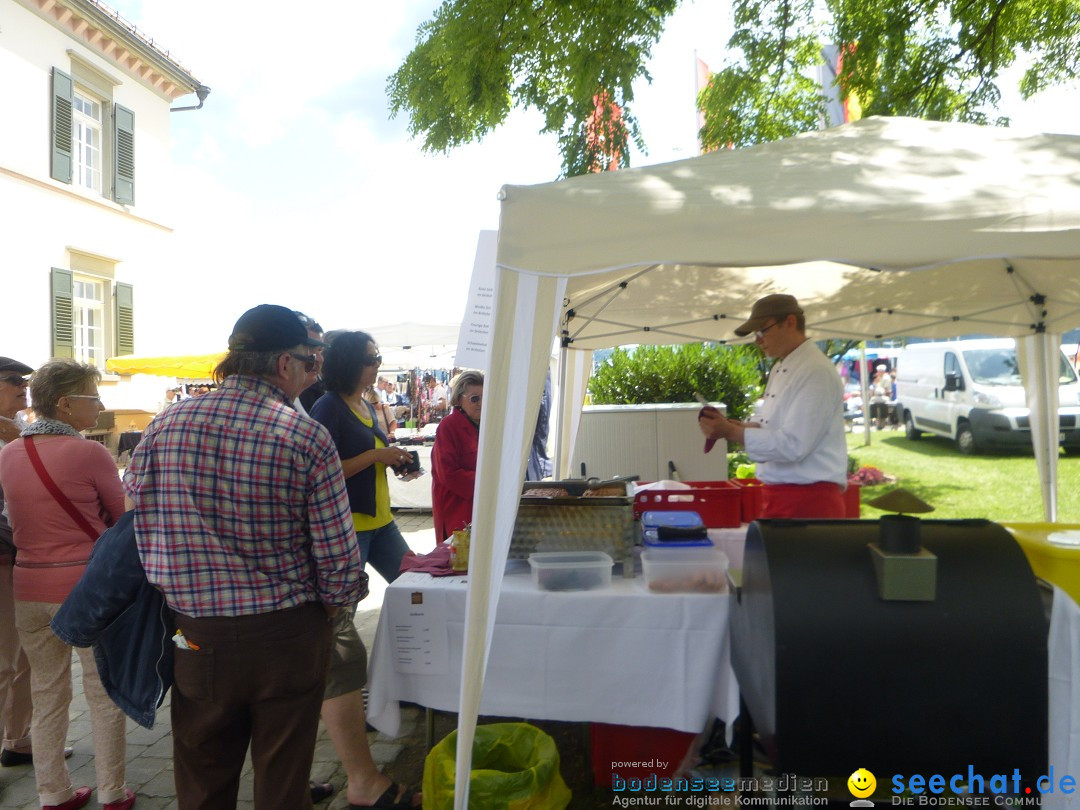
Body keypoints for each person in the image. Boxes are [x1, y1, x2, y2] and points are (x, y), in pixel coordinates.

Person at [123, 305, 366, 810]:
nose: (314, 372)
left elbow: (136, 512)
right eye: (312, 362)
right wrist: (332, 609)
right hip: (286, 631)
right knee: (283, 779)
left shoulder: (167, 423)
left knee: (203, 777)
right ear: (284, 364)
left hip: (198, 633)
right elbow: (339, 558)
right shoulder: (303, 436)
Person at [0, 360, 132, 810]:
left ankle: (53, 792)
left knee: (46, 690)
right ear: (65, 402)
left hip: (28, 588)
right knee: (102, 690)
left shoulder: (9, 452)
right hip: (86, 588)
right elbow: (123, 519)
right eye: (93, 396)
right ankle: (113, 790)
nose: (99, 405)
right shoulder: (89, 453)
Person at [309, 332, 420, 808]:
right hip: (349, 527)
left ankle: (406, 680)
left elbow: (371, 456)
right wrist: (377, 455)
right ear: (351, 363)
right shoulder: (328, 407)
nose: (378, 365)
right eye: (372, 359)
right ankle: (340, 700)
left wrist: (396, 462)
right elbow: (326, 468)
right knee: (342, 622)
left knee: (420, 588)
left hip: (381, 520)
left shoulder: (369, 402)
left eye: (379, 358)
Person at [699, 294, 848, 518]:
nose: (757, 340)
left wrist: (732, 431)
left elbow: (793, 445)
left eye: (763, 330)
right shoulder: (783, 367)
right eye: (755, 334)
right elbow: (773, 429)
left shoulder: (815, 371)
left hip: (809, 501)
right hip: (783, 497)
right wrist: (740, 428)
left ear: (790, 322)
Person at [0, 357, 34, 769]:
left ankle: (19, 738)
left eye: (25, 381)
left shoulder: (21, 430)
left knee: (24, 653)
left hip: (22, 552)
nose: (23, 387)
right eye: (13, 381)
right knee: (5, 657)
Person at [431, 370, 484, 543]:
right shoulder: (449, 426)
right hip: (457, 508)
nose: (481, 404)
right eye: (474, 399)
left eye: (485, 397)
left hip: (480, 505)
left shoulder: (486, 424)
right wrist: (487, 482)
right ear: (459, 399)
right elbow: (448, 474)